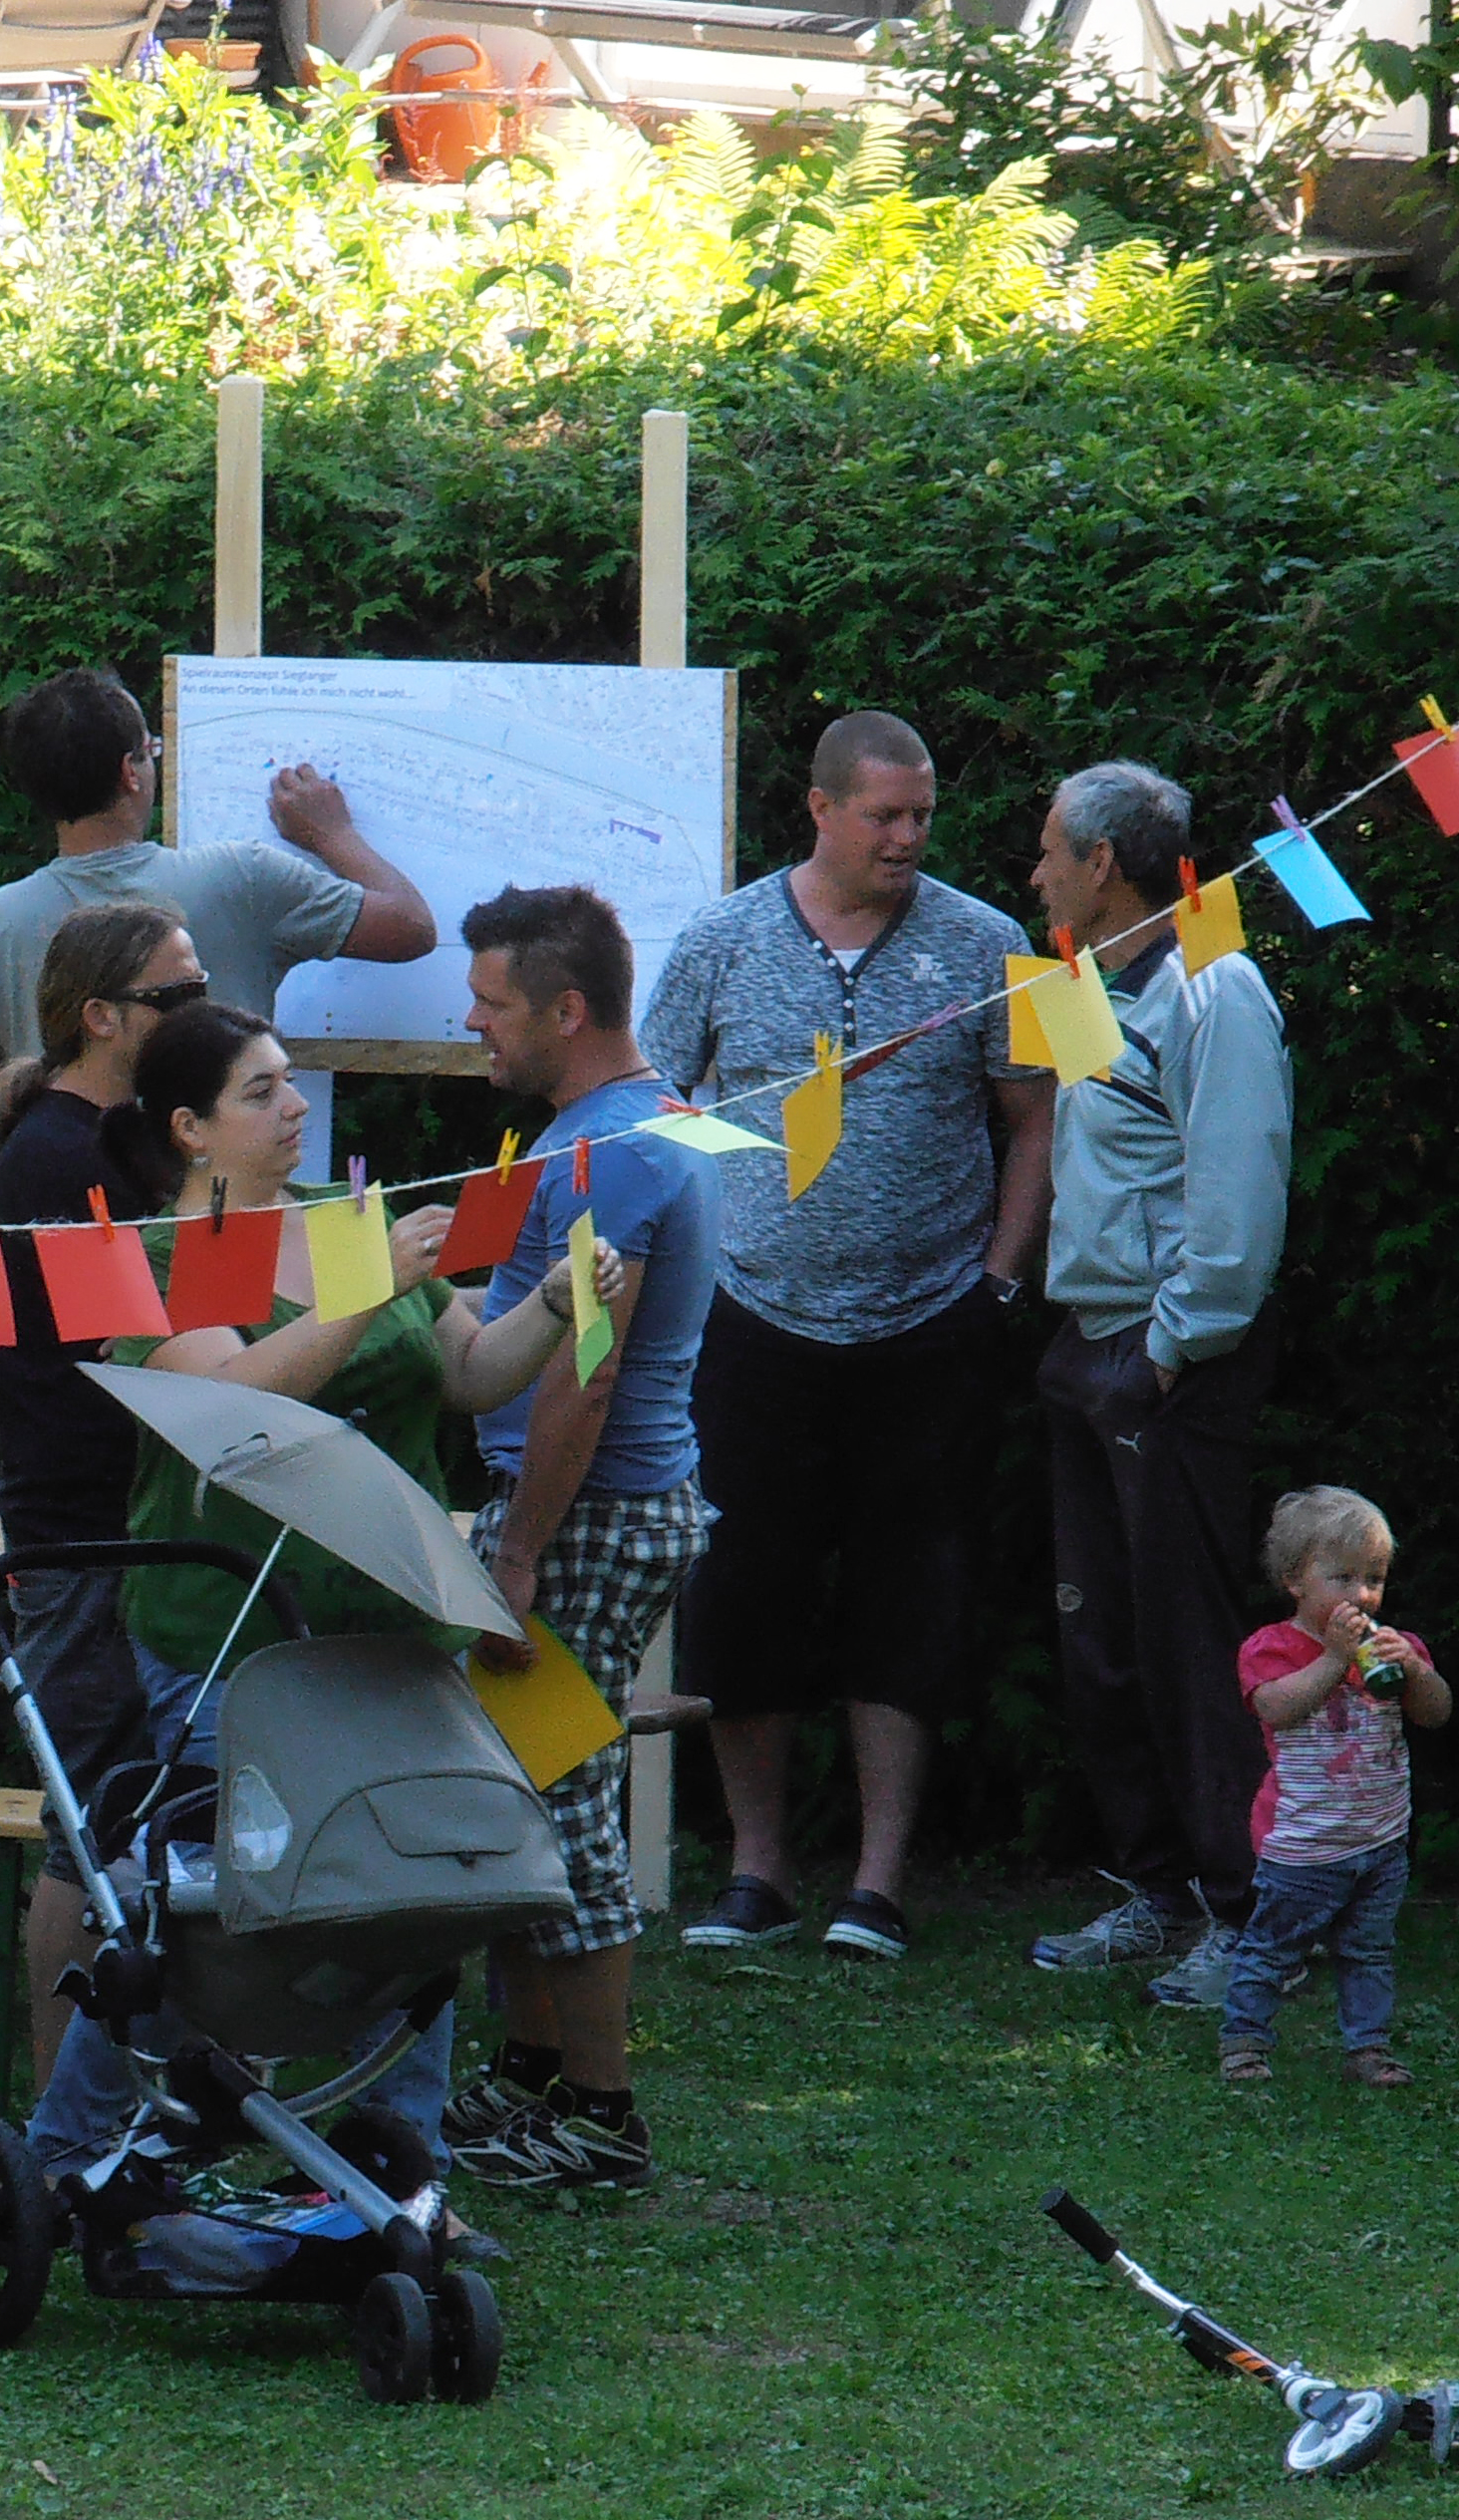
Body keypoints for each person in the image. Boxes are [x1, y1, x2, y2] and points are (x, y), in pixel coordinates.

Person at [20, 1003, 622, 2235]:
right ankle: (72, 2145)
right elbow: (233, 1409)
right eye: (260, 1090)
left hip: (396, 1623)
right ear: (189, 1129)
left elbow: (465, 1374)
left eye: (291, 1082)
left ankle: (396, 2168)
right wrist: (361, 1293)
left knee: (425, 1883)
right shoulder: (147, 1256)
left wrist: (554, 1307)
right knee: (202, 1905)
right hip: (227, 1634)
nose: (295, 1104)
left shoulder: (347, 1222)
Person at [642, 711, 1051, 1962]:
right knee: (740, 1586)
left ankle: (875, 1884)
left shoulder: (986, 941)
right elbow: (657, 1106)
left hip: (931, 1324)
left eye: (921, 814)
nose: (907, 837)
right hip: (753, 1318)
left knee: (910, 1590)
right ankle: (755, 1869)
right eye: (883, 815)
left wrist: (994, 1279)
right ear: (816, 810)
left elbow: (1030, 1120)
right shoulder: (718, 939)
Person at [442, 887, 720, 2194]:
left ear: (565, 1009)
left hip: (588, 1516)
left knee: (565, 1804)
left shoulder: (614, 1157)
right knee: (526, 1793)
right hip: (584, 1511)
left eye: (491, 1004)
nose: (471, 1023)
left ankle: (600, 2112)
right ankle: (529, 2077)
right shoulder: (607, 1133)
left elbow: (584, 1380)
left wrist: (517, 1552)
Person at [1018, 761, 1297, 2007]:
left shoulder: (1212, 988)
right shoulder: (1082, 985)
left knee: (1186, 1644)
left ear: (1102, 864)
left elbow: (1233, 1202)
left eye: (1045, 852)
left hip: (1167, 1361)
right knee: (1099, 1634)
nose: (1031, 875)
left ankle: (1247, 1918)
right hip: (1087, 1343)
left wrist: (1166, 1352)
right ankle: (1155, 1890)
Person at [0, 903, 209, 2080]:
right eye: (179, 994)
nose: (200, 1010)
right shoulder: (60, 1156)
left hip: (127, 1530)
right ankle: (61, 2107)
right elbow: (140, 1351)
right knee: (90, 1824)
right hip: (80, 1541)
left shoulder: (114, 1139)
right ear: (101, 1016)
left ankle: (130, 2084)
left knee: (137, 1812)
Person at [0, 664, 436, 1155]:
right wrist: (332, 834)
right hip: (221, 1207)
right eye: (152, 751)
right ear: (131, 773)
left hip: (73, 1216)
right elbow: (411, 927)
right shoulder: (242, 876)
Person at [1221, 1488, 1448, 2088]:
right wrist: (1333, 1658)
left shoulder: (1391, 1646)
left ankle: (1367, 2049)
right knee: (1273, 1949)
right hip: (1305, 1844)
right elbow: (1274, 1707)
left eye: (1373, 1578)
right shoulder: (1270, 1648)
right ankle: (1245, 2040)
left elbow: (1436, 1713)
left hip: (1379, 1837)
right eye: (1342, 1577)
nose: (1362, 1595)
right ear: (1296, 1579)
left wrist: (1418, 1672)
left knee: (1368, 1951)